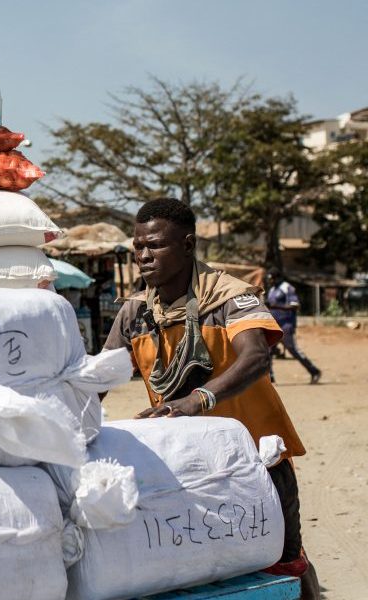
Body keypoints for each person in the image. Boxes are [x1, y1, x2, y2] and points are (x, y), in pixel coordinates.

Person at [103, 198, 319, 599]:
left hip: (257, 461)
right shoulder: (134, 312)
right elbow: (101, 374)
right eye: (138, 247)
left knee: (284, 563)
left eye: (156, 246)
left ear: (188, 245)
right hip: (185, 467)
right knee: (198, 575)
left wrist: (197, 400)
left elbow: (255, 355)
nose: (144, 256)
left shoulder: (228, 297)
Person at [266, 271, 322, 384]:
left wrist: (276, 306)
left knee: (293, 350)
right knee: (268, 351)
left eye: (271, 278)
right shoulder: (272, 290)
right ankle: (270, 377)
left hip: (286, 324)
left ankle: (314, 371)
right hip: (273, 325)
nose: (270, 281)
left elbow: (295, 305)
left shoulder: (287, 288)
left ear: (277, 277)